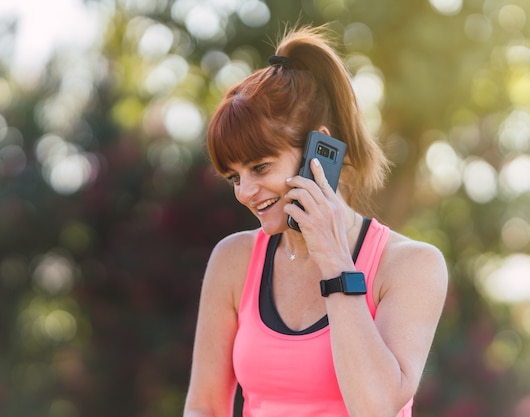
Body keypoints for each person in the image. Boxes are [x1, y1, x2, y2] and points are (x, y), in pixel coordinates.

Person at [183, 24, 448, 417]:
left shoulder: (411, 266)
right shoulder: (233, 260)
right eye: (235, 177)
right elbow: (204, 407)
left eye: (260, 166)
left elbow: (375, 408)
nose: (245, 191)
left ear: (317, 151)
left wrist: (335, 260)